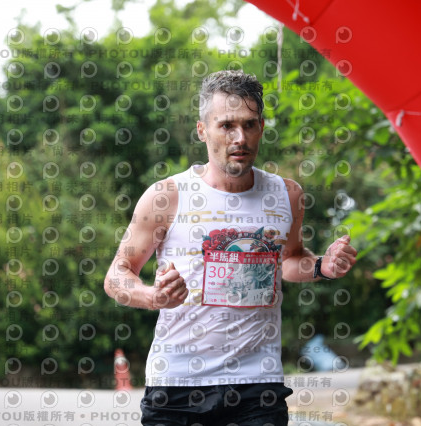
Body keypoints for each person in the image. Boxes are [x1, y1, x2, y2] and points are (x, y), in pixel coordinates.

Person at [104, 70, 358, 426]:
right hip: (177, 384)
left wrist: (321, 266)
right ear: (202, 130)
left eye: (249, 125)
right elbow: (116, 275)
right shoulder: (167, 196)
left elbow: (288, 261)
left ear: (261, 128)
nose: (240, 137)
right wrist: (152, 297)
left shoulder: (287, 194)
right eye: (226, 125)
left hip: (258, 384)